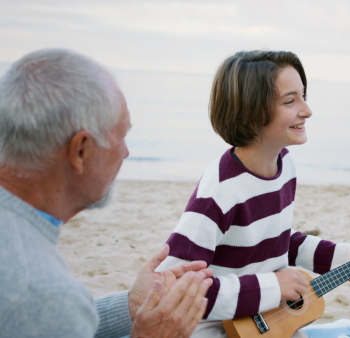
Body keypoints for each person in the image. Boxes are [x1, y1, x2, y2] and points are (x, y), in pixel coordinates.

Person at [155, 50, 350, 337]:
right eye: (290, 100)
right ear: (250, 113)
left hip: (267, 320)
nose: (307, 110)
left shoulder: (285, 165)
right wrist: (272, 287)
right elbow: (173, 286)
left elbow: (275, 241)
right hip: (212, 327)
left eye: (304, 96)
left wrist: (338, 256)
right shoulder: (220, 192)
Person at [0, 48, 214, 338]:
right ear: (81, 151)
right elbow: (49, 308)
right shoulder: (39, 288)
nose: (126, 152)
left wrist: (130, 306)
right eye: (122, 135)